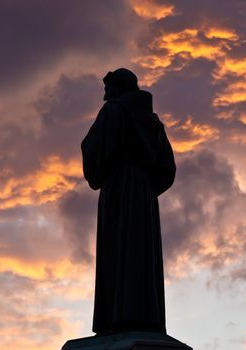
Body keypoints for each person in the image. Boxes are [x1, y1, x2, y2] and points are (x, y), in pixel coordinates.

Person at [81, 68, 176, 335]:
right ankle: (143, 316)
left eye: (107, 90)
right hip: (144, 194)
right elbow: (167, 168)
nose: (104, 97)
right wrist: (146, 184)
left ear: (119, 88)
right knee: (139, 251)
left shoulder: (113, 112)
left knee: (118, 249)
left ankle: (115, 318)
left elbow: (95, 153)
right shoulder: (153, 122)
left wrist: (111, 171)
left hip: (119, 187)